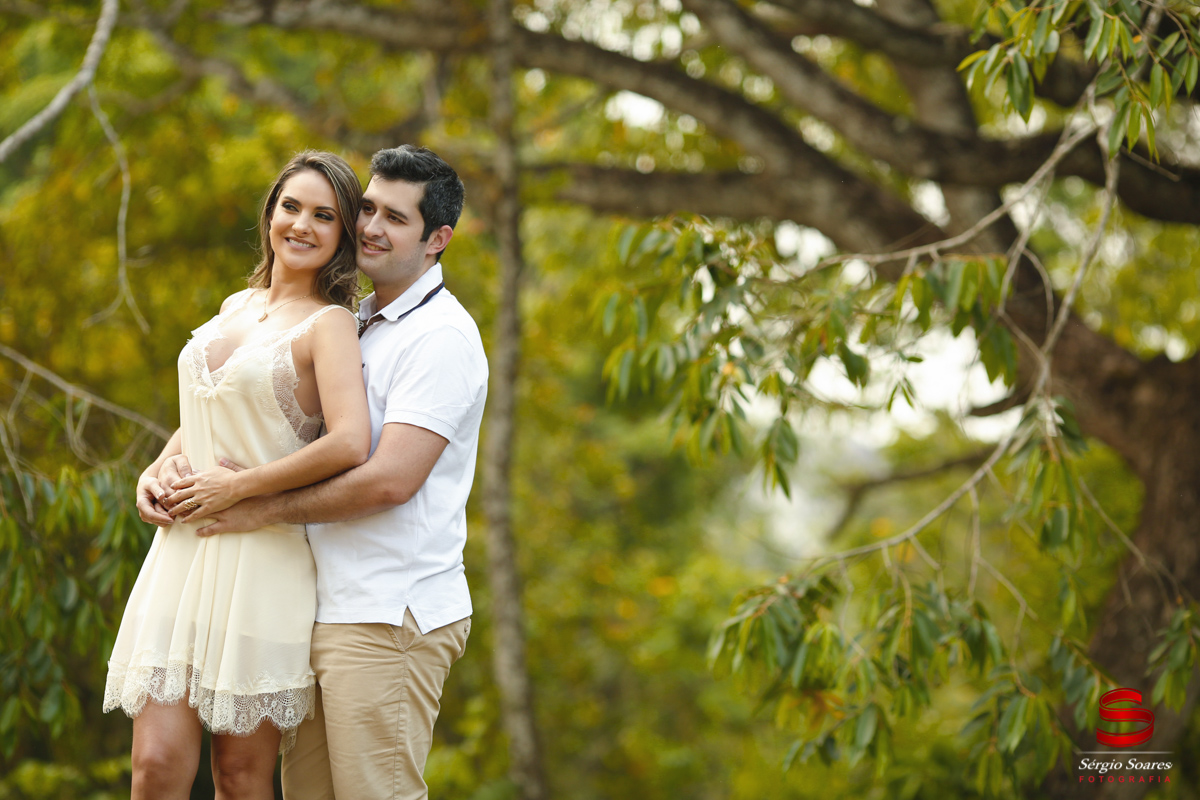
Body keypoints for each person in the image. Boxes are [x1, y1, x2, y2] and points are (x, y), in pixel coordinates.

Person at [160, 145, 488, 800]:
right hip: (315, 605)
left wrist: (259, 506)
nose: (370, 226)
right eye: (367, 208)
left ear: (437, 240)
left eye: (396, 218)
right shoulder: (357, 320)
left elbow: (389, 479)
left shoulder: (440, 338)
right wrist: (166, 465)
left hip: (386, 613)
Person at [108, 150, 371, 800]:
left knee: (240, 776)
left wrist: (241, 486)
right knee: (156, 765)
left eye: (324, 215)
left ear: (341, 237)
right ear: (271, 213)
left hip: (261, 562)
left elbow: (350, 442)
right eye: (291, 207)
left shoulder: (330, 324)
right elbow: (208, 412)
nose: (302, 225)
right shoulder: (236, 304)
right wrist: (155, 467)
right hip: (181, 555)